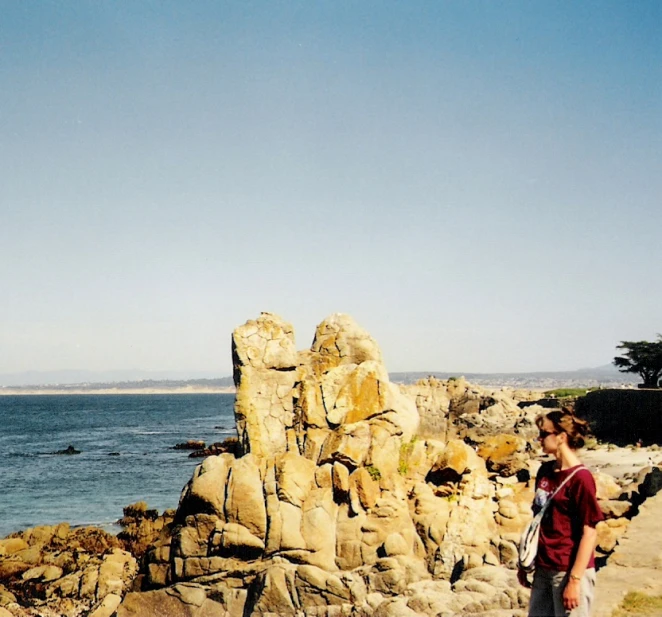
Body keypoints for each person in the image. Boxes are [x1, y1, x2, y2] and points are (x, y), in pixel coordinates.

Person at [518, 410, 604, 617]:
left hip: (568, 570)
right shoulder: (545, 471)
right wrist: (525, 562)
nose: (538, 439)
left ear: (561, 437)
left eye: (543, 433)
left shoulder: (581, 479)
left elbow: (589, 532)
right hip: (543, 567)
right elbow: (539, 520)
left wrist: (574, 581)